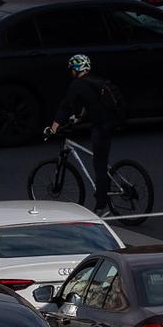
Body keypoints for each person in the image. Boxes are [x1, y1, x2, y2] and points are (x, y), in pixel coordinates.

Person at [47, 54, 121, 215]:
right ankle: (104, 192)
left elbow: (65, 106)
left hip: (101, 127)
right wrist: (79, 117)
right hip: (112, 122)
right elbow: (92, 104)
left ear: (76, 69)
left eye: (71, 70)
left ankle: (101, 205)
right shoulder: (95, 80)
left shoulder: (77, 84)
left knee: (99, 165)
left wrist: (53, 128)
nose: (70, 73)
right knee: (101, 160)